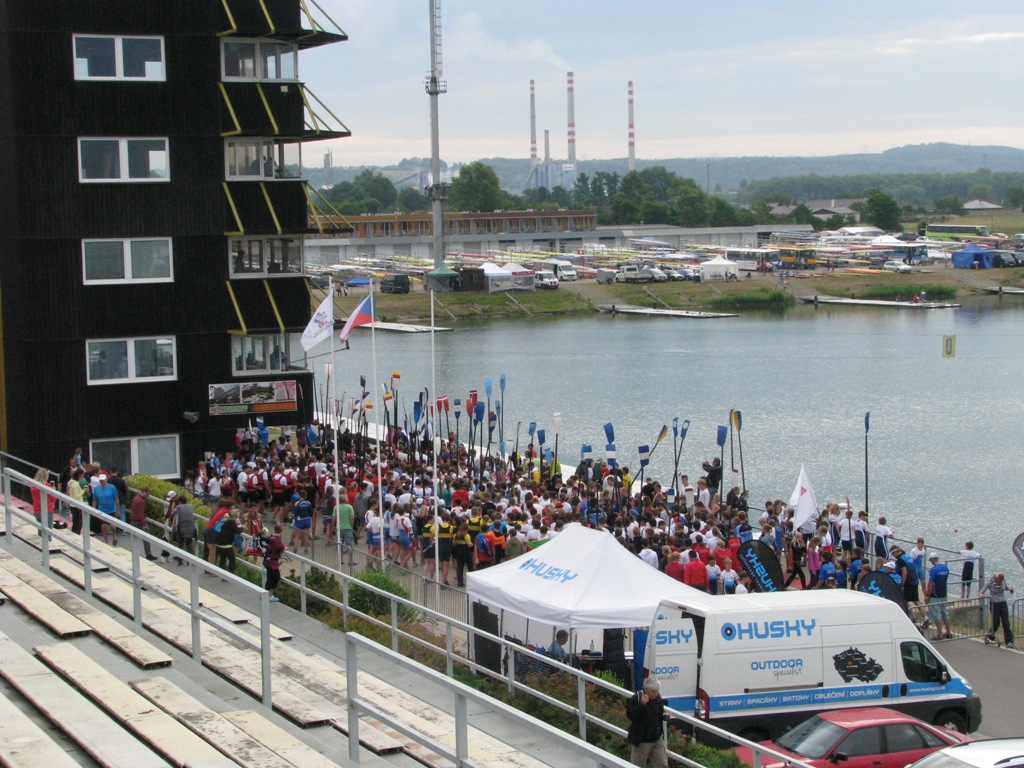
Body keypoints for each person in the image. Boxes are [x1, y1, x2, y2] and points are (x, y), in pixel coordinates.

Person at [625, 677, 668, 768]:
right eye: (653, 692)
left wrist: (664, 715)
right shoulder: (636, 698)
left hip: (656, 738)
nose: (655, 694)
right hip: (642, 740)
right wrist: (642, 705)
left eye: (657, 691)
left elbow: (659, 713)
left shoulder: (657, 698)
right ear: (646, 690)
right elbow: (631, 716)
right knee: (638, 764)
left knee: (662, 764)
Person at [980, 572, 1016, 648]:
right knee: (996, 622)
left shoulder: (1003, 581)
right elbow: (982, 591)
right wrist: (982, 594)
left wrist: (1009, 589)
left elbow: (1005, 587)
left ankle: (1009, 642)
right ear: (997, 578)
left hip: (1003, 603)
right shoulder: (990, 582)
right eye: (999, 580)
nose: (1000, 581)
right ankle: (990, 637)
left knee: (1006, 623)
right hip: (994, 604)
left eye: (1001, 580)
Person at [924, 553, 951, 641]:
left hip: (935, 595)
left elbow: (931, 583)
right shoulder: (945, 568)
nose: (931, 562)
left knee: (937, 615)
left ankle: (940, 634)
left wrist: (927, 594)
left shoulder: (934, 569)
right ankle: (948, 632)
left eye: (930, 560)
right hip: (943, 593)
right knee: (945, 613)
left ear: (932, 559)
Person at [129, 487, 156, 560]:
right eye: (147, 494)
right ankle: (148, 554)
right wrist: (143, 524)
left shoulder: (135, 498)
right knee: (146, 538)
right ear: (144, 492)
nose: (148, 496)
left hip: (133, 520)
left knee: (135, 538)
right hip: (139, 522)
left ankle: (134, 553)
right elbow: (140, 514)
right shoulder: (142, 501)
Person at [264, 523, 285, 603]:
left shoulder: (271, 537)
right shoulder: (276, 540)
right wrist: (284, 548)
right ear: (281, 531)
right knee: (275, 578)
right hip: (272, 563)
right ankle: (268, 596)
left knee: (271, 578)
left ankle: (268, 595)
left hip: (267, 560)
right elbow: (282, 548)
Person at [335, 494, 355, 565]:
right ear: (346, 500)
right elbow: (352, 518)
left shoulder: (336, 507)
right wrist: (351, 526)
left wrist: (334, 527)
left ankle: (341, 560)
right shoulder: (350, 507)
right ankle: (350, 561)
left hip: (339, 529)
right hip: (348, 528)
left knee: (339, 545)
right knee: (349, 545)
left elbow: (333, 518)